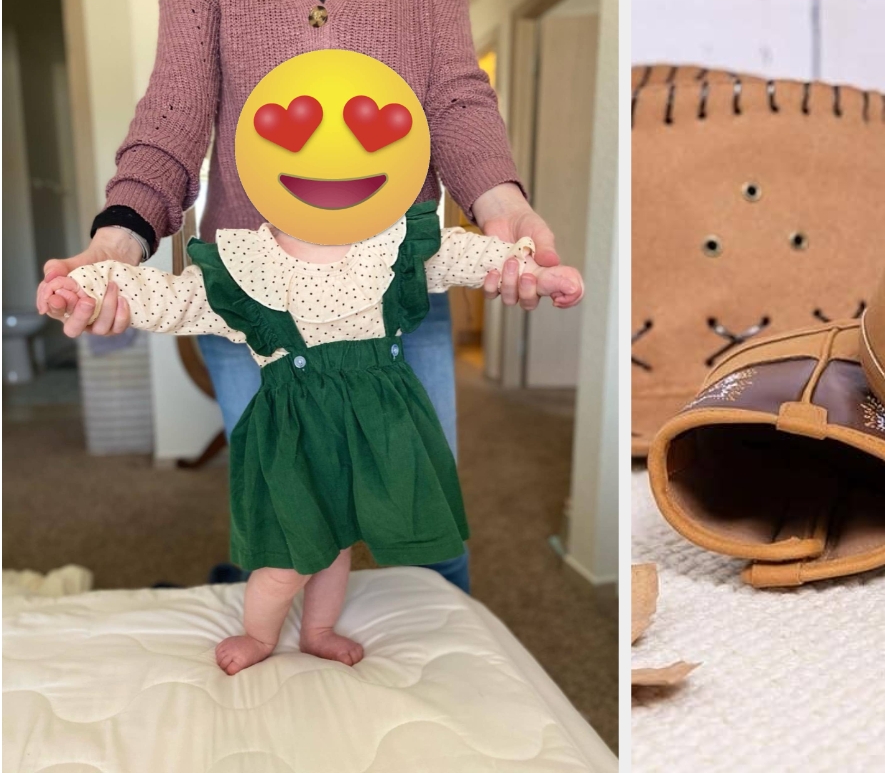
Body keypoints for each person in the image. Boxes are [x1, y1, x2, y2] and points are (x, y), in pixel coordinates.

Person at [35, 0, 558, 594]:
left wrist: (504, 204)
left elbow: (453, 93)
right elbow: (179, 102)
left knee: (425, 501)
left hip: (393, 285)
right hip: (257, 292)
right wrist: (120, 238)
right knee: (281, 510)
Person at [42, 201, 583, 674]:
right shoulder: (248, 266)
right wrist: (89, 284)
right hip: (297, 440)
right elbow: (169, 296)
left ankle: (317, 631)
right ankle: (258, 635)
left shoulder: (389, 245)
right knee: (289, 558)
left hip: (377, 432)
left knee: (338, 544)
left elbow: (466, 255)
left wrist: (534, 270)